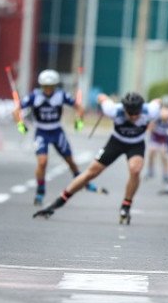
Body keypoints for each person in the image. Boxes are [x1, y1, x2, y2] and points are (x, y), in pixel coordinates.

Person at [33, 92, 161, 224]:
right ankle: (57, 202)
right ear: (124, 109)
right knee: (91, 173)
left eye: (137, 113)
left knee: (135, 169)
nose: (134, 117)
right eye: (130, 114)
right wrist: (102, 99)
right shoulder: (113, 110)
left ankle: (126, 206)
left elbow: (158, 100)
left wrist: (159, 103)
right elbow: (101, 96)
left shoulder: (150, 111)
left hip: (136, 144)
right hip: (116, 142)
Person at [13, 69, 96, 206]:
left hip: (57, 131)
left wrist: (79, 120)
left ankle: (82, 182)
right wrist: (20, 125)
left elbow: (80, 108)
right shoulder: (34, 96)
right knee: (42, 161)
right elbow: (16, 111)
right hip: (42, 132)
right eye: (45, 87)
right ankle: (40, 190)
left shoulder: (61, 95)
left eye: (51, 87)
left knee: (70, 160)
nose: (48, 90)